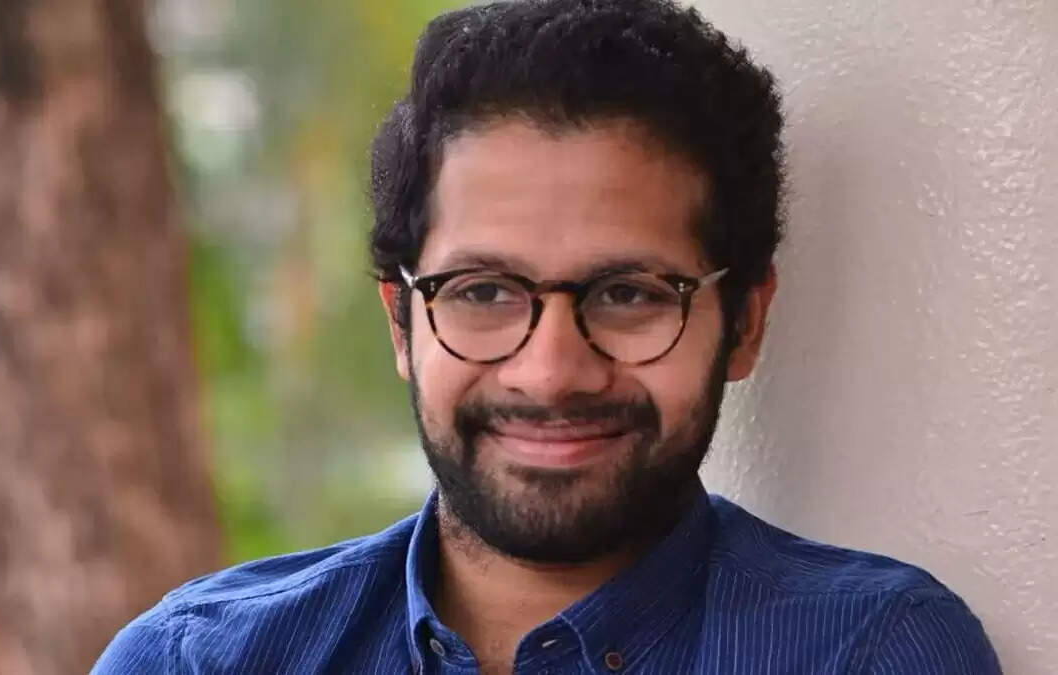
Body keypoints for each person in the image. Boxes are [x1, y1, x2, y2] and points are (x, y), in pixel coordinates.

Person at [94, 0, 1001, 672]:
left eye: (629, 293)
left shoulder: (869, 652)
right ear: (403, 322)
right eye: (484, 291)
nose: (552, 371)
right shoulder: (197, 661)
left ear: (744, 323)